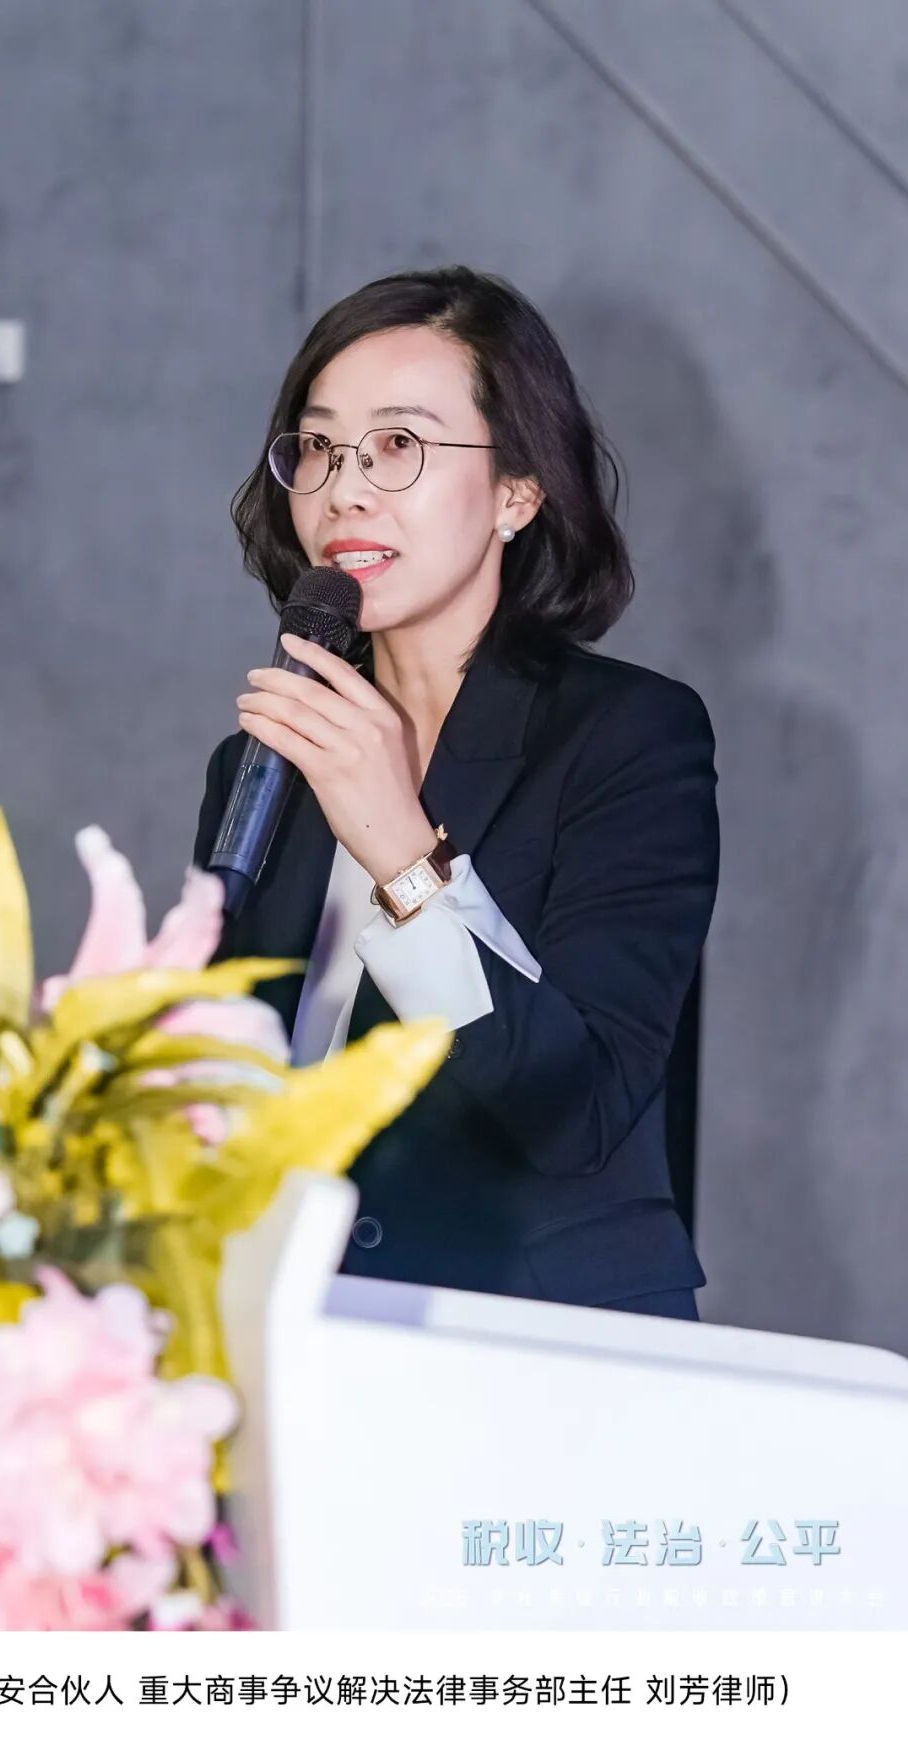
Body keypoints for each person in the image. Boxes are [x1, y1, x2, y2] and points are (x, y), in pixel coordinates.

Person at [193, 264, 719, 1321]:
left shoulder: (629, 738)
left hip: (532, 1341)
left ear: (517, 491)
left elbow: (577, 1106)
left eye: (398, 445)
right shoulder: (264, 759)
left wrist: (402, 852)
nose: (345, 489)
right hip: (294, 1329)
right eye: (319, 447)